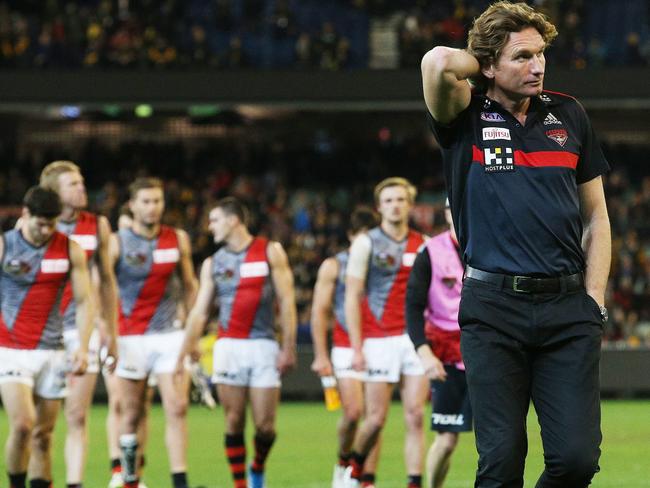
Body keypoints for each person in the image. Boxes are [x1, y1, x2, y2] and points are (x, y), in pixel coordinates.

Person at [421, 2, 611, 486]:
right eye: (523, 56)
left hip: (568, 310)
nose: (538, 65)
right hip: (493, 310)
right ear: (487, 64)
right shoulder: (462, 113)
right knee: (502, 462)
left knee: (576, 461)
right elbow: (439, 63)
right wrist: (483, 59)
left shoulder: (568, 114)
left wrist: (595, 299)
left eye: (541, 53)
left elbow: (596, 216)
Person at [176, 197, 297, 488]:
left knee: (266, 426)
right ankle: (242, 484)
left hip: (264, 345)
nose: (210, 226)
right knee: (233, 421)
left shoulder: (269, 251)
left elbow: (287, 299)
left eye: (215, 219)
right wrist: (184, 351)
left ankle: (257, 465)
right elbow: (200, 312)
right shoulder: (212, 263)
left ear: (233, 221)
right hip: (228, 347)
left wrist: (289, 347)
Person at [0, 186, 94, 488]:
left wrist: (81, 345)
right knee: (24, 424)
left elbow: (83, 302)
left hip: (52, 351)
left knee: (44, 436)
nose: (45, 230)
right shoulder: (4, 245)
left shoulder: (69, 249)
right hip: (10, 349)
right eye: (40, 223)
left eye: (51, 224)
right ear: (25, 214)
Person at [109, 177, 198, 488]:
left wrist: (194, 332)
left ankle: (180, 481)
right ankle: (131, 477)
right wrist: (106, 334)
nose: (152, 207)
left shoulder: (178, 239)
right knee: (131, 413)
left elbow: (190, 286)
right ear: (132, 205)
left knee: (177, 406)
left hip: (170, 333)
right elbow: (102, 288)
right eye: (146, 202)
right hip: (129, 336)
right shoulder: (116, 242)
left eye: (157, 201)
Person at [344, 177, 428, 488]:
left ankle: (414, 483)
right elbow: (352, 295)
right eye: (389, 200)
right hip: (378, 339)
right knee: (376, 419)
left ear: (409, 205)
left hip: (414, 339)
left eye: (400, 200)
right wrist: (356, 346)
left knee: (415, 415)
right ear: (380, 207)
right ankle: (354, 467)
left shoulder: (424, 245)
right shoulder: (366, 243)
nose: (395, 205)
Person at [39, 160, 118, 488]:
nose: (82, 188)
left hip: (80, 331)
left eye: (82, 181)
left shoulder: (97, 225)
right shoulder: (38, 227)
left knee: (76, 414)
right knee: (39, 425)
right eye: (73, 184)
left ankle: (75, 484)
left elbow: (107, 282)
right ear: (55, 192)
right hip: (42, 335)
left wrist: (110, 329)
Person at [310, 206, 382, 488]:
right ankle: (343, 460)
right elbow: (320, 311)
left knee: (374, 417)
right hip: (344, 346)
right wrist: (319, 354)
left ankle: (365, 479)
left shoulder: (384, 265)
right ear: (351, 236)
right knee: (353, 413)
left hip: (378, 343)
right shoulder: (335, 265)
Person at [406, 201, 472, 488]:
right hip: (446, 354)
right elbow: (412, 306)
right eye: (451, 207)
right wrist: (424, 352)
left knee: (500, 438)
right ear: (445, 214)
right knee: (446, 440)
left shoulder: (494, 245)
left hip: (489, 351)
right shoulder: (431, 252)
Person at [105, 204, 153, 488]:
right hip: (116, 334)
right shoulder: (111, 258)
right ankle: (117, 470)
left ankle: (135, 470)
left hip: (143, 334)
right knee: (120, 401)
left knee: (141, 406)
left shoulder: (142, 265)